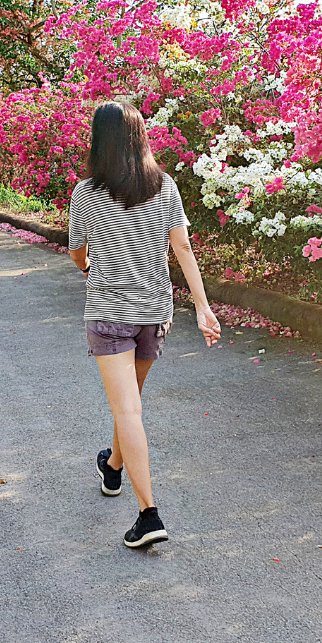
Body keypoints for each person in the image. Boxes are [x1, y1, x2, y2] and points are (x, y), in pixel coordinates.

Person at [68, 100, 221, 548]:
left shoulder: (86, 192)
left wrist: (87, 266)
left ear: (100, 141)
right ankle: (112, 467)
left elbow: (77, 250)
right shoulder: (165, 186)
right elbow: (184, 249)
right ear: (139, 136)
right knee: (130, 404)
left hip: (110, 314)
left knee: (127, 410)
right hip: (154, 314)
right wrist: (202, 306)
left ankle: (148, 514)